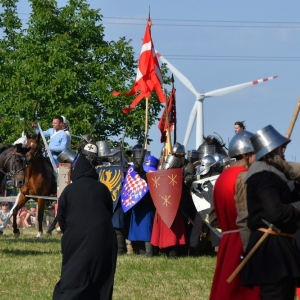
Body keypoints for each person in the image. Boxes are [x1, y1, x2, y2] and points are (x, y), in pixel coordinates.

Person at [241, 125, 300, 300]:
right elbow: (276, 212)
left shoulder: (273, 174)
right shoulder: (263, 177)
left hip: (279, 245)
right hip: (270, 250)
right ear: (270, 153)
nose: (283, 153)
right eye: (280, 149)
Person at [53, 151, 117, 300]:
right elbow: (109, 210)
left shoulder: (69, 190)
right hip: (104, 239)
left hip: (77, 238)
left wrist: (69, 232)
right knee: (102, 277)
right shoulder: (103, 188)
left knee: (74, 276)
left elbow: (61, 217)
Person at [209, 130, 260, 300]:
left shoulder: (221, 178)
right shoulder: (245, 177)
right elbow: (247, 215)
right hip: (244, 240)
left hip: (226, 242)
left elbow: (213, 217)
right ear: (246, 155)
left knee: (225, 291)